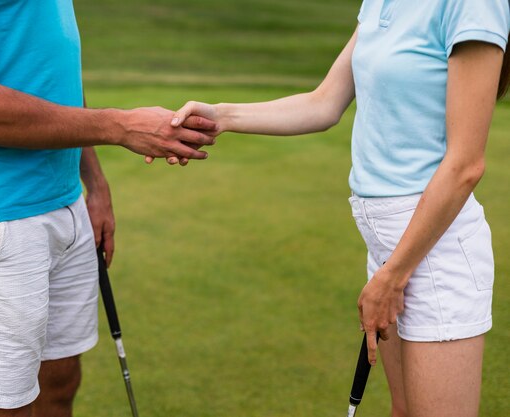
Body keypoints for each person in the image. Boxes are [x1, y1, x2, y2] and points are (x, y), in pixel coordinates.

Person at [157, 1, 510, 416]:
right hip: (388, 243)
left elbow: (465, 166)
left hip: (433, 246)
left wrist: (394, 275)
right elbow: (324, 103)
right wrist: (219, 116)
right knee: (403, 410)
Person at [0, 0, 218, 416]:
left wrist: (93, 184)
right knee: (2, 408)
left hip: (66, 201)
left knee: (59, 383)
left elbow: (53, 71)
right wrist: (119, 126)